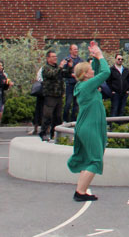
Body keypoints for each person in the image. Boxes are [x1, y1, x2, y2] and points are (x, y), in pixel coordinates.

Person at [67, 41, 109, 202]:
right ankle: (80, 192)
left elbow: (99, 71)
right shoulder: (85, 86)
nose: (93, 69)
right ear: (85, 74)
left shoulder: (87, 85)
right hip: (89, 127)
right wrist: (100, 56)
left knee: (90, 158)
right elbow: (105, 73)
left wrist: (96, 57)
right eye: (90, 68)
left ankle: (82, 190)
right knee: (96, 160)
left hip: (89, 126)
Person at [41, 50, 69, 142]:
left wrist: (69, 66)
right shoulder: (46, 68)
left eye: (56, 56)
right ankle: (44, 133)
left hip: (58, 95)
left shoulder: (57, 67)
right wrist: (60, 67)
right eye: (53, 56)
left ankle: (55, 134)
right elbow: (51, 74)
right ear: (48, 58)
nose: (55, 58)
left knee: (57, 117)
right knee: (47, 115)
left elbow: (66, 74)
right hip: (50, 94)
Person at [62, 44, 83, 123]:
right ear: (70, 50)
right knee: (68, 103)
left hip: (78, 84)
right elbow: (63, 73)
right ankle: (65, 120)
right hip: (70, 84)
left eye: (77, 49)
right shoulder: (66, 60)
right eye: (74, 49)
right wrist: (71, 74)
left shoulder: (81, 60)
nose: (76, 51)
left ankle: (73, 120)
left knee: (76, 104)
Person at [108, 53, 129, 117]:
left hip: (124, 93)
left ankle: (119, 125)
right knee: (114, 109)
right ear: (115, 59)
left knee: (122, 110)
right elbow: (108, 81)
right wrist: (111, 90)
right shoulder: (111, 70)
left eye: (122, 59)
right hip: (115, 93)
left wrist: (128, 90)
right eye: (119, 59)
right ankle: (113, 125)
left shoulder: (126, 70)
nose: (120, 60)